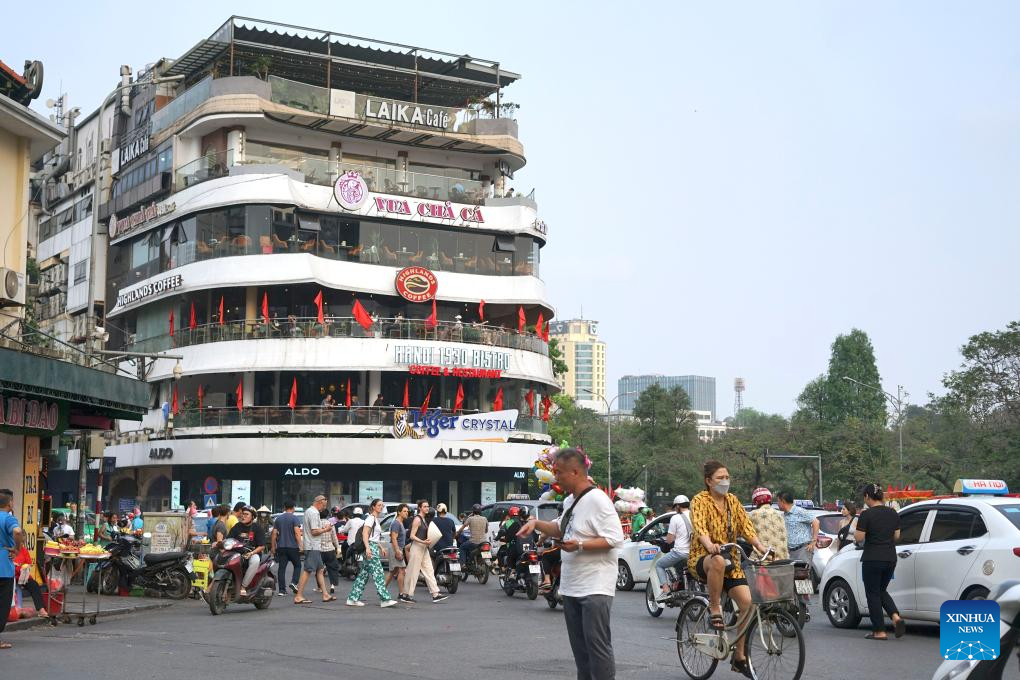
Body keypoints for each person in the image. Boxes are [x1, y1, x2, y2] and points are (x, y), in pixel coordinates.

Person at [515, 448, 624, 680]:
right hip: (572, 586)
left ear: (575, 472)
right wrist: (535, 524)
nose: (556, 477)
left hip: (595, 587)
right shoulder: (570, 501)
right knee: (581, 653)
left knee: (597, 648)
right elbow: (560, 528)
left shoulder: (597, 500)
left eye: (559, 472)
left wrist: (580, 546)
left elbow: (615, 539)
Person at [688, 461, 769, 678]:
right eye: (719, 478)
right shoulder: (699, 500)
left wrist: (760, 546)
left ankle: (740, 656)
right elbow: (699, 527)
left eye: (727, 477)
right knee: (717, 561)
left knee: (748, 604)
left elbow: (746, 527)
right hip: (703, 558)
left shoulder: (733, 501)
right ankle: (715, 608)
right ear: (708, 481)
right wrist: (709, 545)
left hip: (731, 559)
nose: (725, 481)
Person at [855, 483, 905, 640]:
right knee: (881, 591)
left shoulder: (866, 515)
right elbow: (897, 537)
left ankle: (879, 631)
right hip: (890, 558)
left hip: (872, 558)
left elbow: (859, 538)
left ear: (867, 497)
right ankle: (895, 617)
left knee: (872, 594)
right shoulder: (893, 513)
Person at [347, 498, 397, 607]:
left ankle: (352, 598)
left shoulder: (375, 519)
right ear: (373, 506)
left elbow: (373, 537)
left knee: (363, 575)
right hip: (370, 547)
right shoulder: (370, 518)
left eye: (382, 505)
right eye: (379, 505)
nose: (381, 507)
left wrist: (381, 547)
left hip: (372, 546)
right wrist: (368, 548)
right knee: (379, 573)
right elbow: (365, 534)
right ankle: (384, 599)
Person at [776, 490, 818, 617]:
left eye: (778, 501)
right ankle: (792, 606)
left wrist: (813, 541)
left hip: (802, 550)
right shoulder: (784, 515)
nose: (777, 504)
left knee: (802, 578)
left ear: (783, 501)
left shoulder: (799, 511)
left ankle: (805, 608)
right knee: (788, 579)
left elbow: (816, 522)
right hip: (789, 551)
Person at [401, 499, 447, 604]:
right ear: (420, 508)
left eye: (428, 506)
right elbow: (412, 536)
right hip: (417, 547)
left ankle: (435, 594)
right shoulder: (417, 519)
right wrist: (423, 541)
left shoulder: (424, 519)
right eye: (425, 506)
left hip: (424, 547)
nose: (427, 508)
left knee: (429, 570)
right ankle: (406, 594)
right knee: (413, 572)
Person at [294, 495, 332, 604]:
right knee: (307, 570)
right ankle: (299, 596)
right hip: (313, 546)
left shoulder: (308, 511)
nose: (323, 508)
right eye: (324, 505)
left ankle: (325, 594)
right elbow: (314, 531)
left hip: (312, 545)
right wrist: (326, 529)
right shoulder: (315, 513)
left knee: (320, 570)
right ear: (319, 502)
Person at [655, 495, 692, 602]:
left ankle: (666, 591)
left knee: (659, 565)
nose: (675, 509)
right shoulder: (695, 515)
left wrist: (664, 541)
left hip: (680, 553)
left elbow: (670, 540)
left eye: (675, 507)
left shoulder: (675, 518)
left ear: (678, 506)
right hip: (694, 553)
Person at [1, 488, 25, 649]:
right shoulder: (8, 519)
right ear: (10, 503)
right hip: (3, 568)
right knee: (2, 604)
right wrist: (17, 548)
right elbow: (17, 532)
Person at [226, 507, 266, 597]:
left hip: (252, 553)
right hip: (237, 552)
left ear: (252, 517)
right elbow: (229, 539)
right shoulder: (237, 526)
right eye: (242, 514)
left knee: (255, 561)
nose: (243, 516)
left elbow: (262, 546)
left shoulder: (257, 528)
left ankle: (243, 586)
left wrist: (251, 553)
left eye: (246, 514)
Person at [747, 487, 789, 560]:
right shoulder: (780, 514)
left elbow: (743, 530)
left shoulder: (752, 514)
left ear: (755, 501)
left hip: (763, 558)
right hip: (783, 558)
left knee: (741, 568)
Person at [270, 501, 302, 596]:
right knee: (298, 565)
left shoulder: (278, 519)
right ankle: (294, 582)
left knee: (282, 568)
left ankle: (281, 590)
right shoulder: (294, 518)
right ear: (294, 507)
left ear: (284, 507)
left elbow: (274, 534)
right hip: (292, 547)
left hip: (281, 547)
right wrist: (300, 545)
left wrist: (273, 547)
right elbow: (297, 533)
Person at [14, 545, 46, 618]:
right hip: (10, 576)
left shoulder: (23, 550)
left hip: (23, 576)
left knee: (34, 585)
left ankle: (41, 609)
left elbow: (29, 563)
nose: (21, 544)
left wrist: (22, 567)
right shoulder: (8, 549)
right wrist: (18, 567)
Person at [386, 504, 410, 592]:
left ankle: (381, 589)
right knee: (402, 570)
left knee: (393, 572)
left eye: (407, 511)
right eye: (404, 511)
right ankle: (401, 593)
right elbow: (393, 538)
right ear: (399, 512)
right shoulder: (396, 523)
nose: (406, 513)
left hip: (398, 548)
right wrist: (397, 551)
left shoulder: (400, 522)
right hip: (395, 549)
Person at [457, 504, 489, 568]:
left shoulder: (470, 519)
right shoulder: (485, 519)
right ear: (480, 511)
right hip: (483, 542)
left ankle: (463, 564)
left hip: (473, 542)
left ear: (473, 511)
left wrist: (458, 533)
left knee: (462, 547)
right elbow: (486, 531)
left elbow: (462, 528)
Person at [320, 504, 342, 596]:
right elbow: (335, 538)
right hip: (330, 549)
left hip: (319, 550)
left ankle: (321, 587)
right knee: (332, 568)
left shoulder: (316, 524)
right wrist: (338, 547)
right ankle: (332, 585)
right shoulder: (330, 524)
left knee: (319, 570)